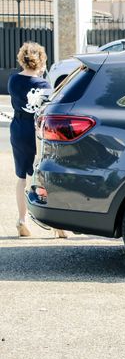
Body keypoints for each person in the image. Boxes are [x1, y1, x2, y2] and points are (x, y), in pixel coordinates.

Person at [8, 42, 67, 238]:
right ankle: (57, 225)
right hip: (38, 132)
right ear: (41, 62)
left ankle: (22, 220)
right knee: (44, 177)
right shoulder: (44, 86)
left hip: (18, 130)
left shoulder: (13, 81)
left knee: (21, 177)